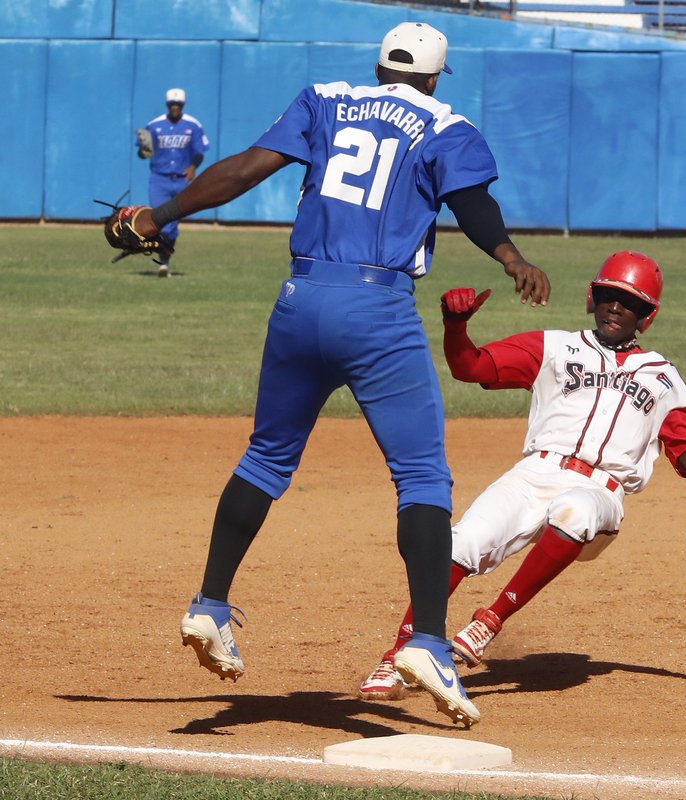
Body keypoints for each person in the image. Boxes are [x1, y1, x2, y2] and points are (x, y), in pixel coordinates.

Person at [121, 21, 550, 729]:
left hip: (300, 299)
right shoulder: (446, 123)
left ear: (378, 65)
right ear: (438, 76)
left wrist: (157, 215)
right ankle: (429, 643)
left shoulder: (325, 98)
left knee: (265, 459)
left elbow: (245, 169)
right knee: (421, 478)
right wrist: (510, 258)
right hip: (376, 308)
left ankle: (210, 604)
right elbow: (472, 204)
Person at [357, 251, 686, 703]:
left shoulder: (663, 379)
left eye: (629, 302)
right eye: (608, 296)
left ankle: (490, 620)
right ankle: (396, 658)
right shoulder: (553, 347)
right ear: (591, 298)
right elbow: (472, 367)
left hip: (600, 491)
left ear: (646, 317)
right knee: (457, 546)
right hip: (535, 472)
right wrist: (456, 326)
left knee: (575, 509)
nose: (616, 307)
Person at [137, 88, 208, 277]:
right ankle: (163, 261)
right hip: (159, 179)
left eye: (178, 105)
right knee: (161, 221)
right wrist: (143, 149)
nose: (175, 107)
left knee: (172, 225)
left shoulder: (193, 125)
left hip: (181, 180)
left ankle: (164, 261)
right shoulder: (154, 125)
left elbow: (200, 151)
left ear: (183, 105)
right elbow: (143, 152)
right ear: (167, 105)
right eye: (172, 104)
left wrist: (193, 166)